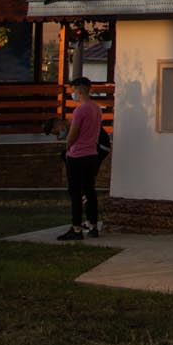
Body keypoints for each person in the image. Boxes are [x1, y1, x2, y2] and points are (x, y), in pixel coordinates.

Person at [60, 87, 105, 240]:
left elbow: (73, 132)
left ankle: (76, 228)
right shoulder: (96, 108)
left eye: (74, 91)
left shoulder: (80, 110)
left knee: (75, 193)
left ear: (79, 92)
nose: (73, 94)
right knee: (90, 191)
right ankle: (93, 226)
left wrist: (67, 145)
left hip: (77, 155)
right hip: (92, 154)